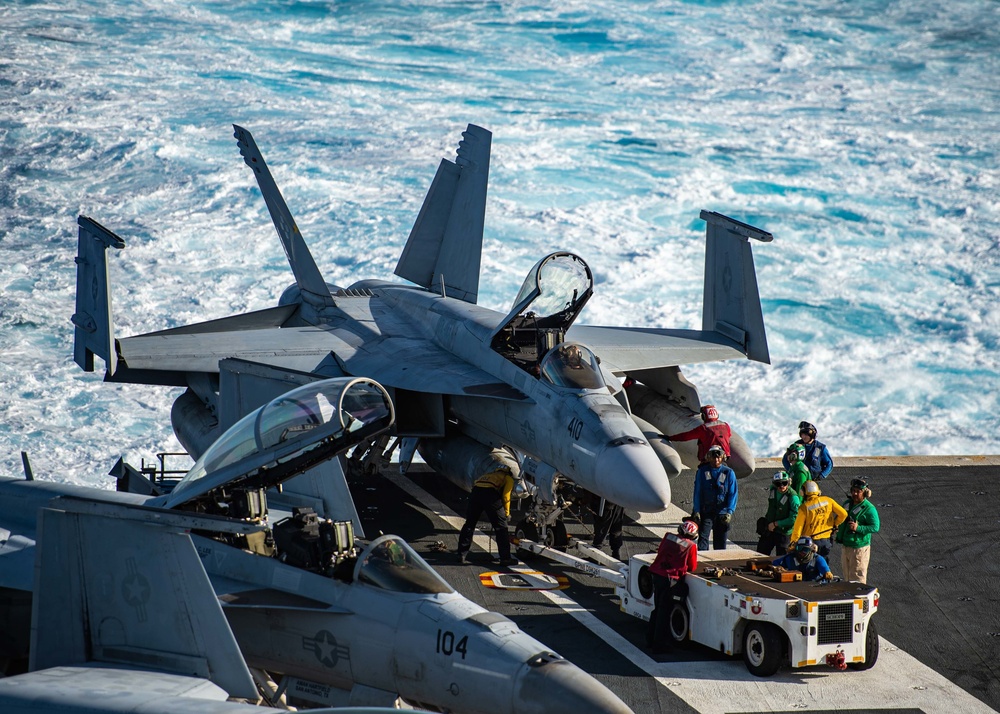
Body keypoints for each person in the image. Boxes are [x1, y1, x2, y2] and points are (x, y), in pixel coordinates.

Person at [456, 453, 519, 566]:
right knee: (501, 527)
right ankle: (505, 558)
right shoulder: (508, 478)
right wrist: (507, 513)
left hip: (475, 493)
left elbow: (475, 486)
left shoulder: (488, 475)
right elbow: (506, 496)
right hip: (490, 495)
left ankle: (461, 554)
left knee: (469, 524)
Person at [647, 519, 699, 653]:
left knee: (657, 608)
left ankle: (649, 640)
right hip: (670, 579)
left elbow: (660, 551)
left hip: (657, 574)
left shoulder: (668, 536)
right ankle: (659, 645)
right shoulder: (691, 546)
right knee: (664, 612)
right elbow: (692, 567)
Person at [691, 445, 738, 551]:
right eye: (713, 456)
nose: (716, 459)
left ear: (722, 457)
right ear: (708, 457)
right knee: (703, 538)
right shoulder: (702, 472)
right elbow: (697, 492)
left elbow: (732, 493)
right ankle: (702, 561)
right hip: (706, 511)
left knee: (720, 542)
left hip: (722, 513)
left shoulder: (728, 473)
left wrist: (729, 512)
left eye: (718, 457)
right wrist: (697, 511)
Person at [836, 477, 881, 583]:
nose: (855, 494)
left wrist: (858, 528)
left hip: (859, 548)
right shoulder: (847, 504)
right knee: (847, 576)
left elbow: (875, 527)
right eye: (853, 491)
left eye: (858, 491)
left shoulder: (869, 509)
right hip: (846, 545)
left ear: (865, 493)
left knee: (857, 578)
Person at [789, 480, 848, 558]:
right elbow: (843, 514)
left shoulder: (804, 508)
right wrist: (834, 524)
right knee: (823, 564)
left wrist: (792, 545)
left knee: (809, 566)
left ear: (803, 492)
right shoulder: (828, 500)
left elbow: (797, 530)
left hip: (810, 542)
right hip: (826, 540)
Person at [756, 472, 801, 556]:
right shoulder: (773, 489)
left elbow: (794, 519)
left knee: (782, 560)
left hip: (783, 533)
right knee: (759, 556)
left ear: (788, 483)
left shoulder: (793, 498)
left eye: (784, 483)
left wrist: (776, 524)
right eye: (778, 484)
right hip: (769, 529)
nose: (781, 486)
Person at [591, 496, 625, 560]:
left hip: (605, 501)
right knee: (616, 528)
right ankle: (616, 554)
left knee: (601, 529)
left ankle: (594, 556)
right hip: (619, 500)